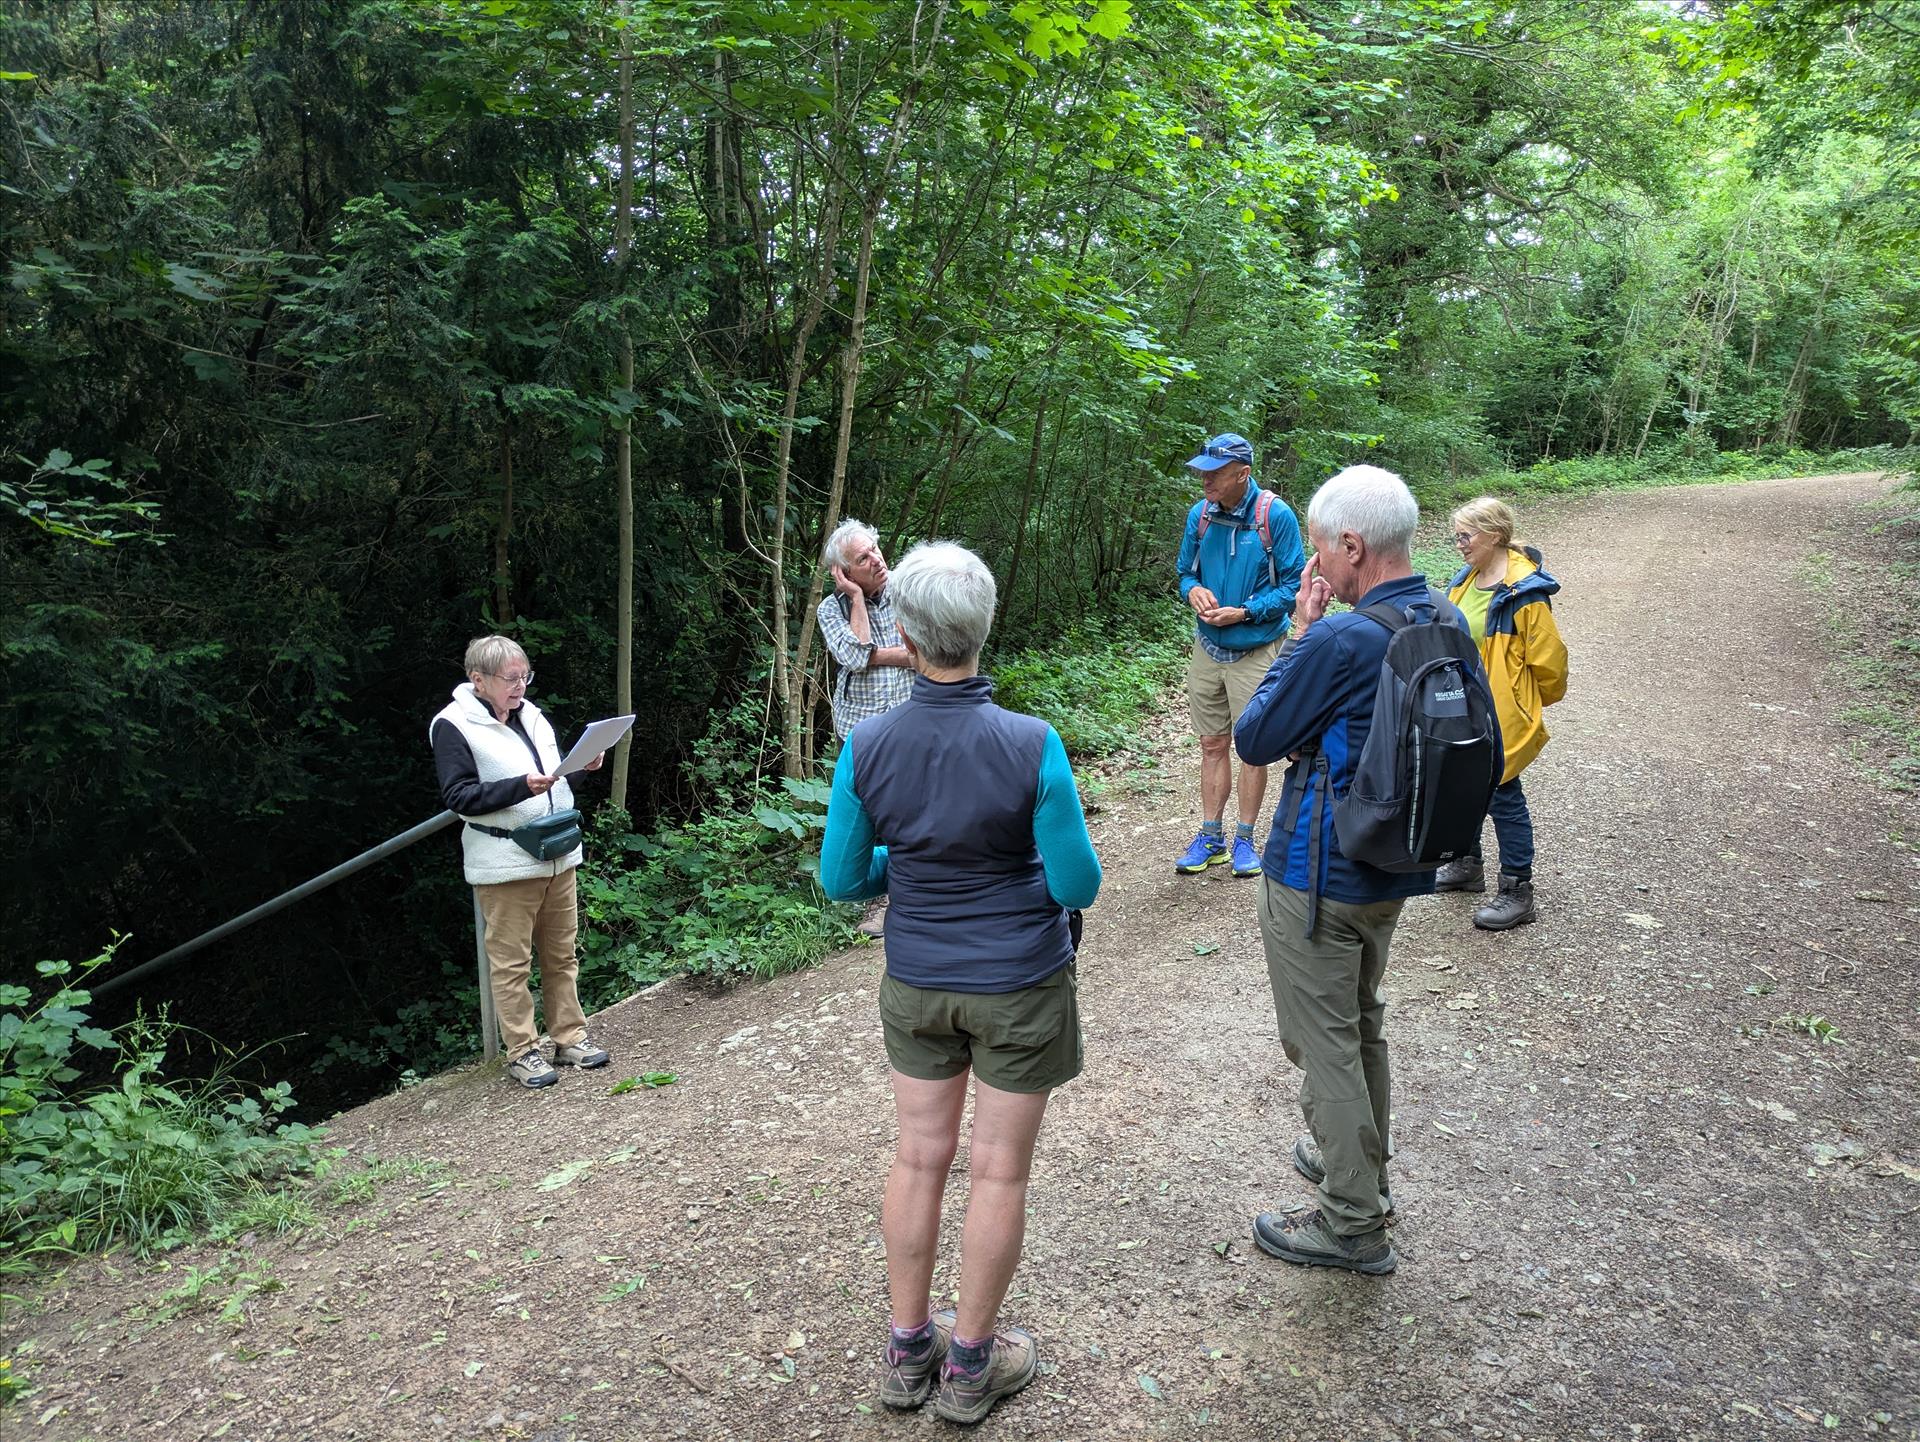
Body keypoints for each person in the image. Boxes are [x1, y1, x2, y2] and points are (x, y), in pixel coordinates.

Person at [819, 541, 1101, 1425]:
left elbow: (842, 878)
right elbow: (1076, 886)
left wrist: (903, 868)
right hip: (1019, 981)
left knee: (918, 1157)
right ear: (982, 629)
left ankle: (908, 1354)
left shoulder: (868, 744)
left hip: (919, 979)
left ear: (901, 627)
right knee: (999, 1172)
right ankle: (972, 1366)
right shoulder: (1032, 743)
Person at [1234, 464, 1489, 1275]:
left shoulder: (1344, 635)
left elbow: (1254, 736)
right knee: (1360, 1022)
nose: (1316, 568)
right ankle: (1362, 1171)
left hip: (1319, 871)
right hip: (1399, 861)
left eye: (1319, 551)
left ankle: (1350, 1221)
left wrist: (1302, 633)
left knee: (1323, 1044)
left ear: (1353, 544)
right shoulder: (1444, 616)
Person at [431, 636, 610, 1089]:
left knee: (561, 953)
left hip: (558, 852)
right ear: (478, 680)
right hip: (506, 863)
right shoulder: (453, 725)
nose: (520, 686)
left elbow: (553, 781)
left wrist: (581, 766)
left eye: (524, 676)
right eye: (511, 679)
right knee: (511, 964)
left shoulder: (531, 715)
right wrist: (519, 787)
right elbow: (459, 797)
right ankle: (523, 1052)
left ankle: (569, 1038)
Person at [1173, 432, 1305, 878]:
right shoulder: (1201, 515)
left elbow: (1293, 588)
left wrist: (1246, 611)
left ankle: (1246, 839)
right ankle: (1211, 836)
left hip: (1257, 649)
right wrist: (1194, 593)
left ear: (1242, 474)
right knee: (1212, 744)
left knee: (1252, 749)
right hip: (1207, 647)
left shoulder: (1275, 515)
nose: (1204, 481)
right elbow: (1184, 574)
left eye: (1214, 474)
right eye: (1202, 472)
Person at [1437, 497, 1569, 930]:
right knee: (1462, 786)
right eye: (1457, 535)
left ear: (1494, 535)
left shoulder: (1525, 593)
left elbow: (1550, 664)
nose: (1459, 543)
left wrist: (1521, 700)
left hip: (1500, 710)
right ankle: (1467, 863)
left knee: (1502, 795)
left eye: (1466, 535)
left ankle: (1517, 889)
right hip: (1464, 704)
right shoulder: (1466, 579)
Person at [816, 519, 916, 740]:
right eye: (863, 559)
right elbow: (857, 658)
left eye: (874, 549)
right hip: (859, 728)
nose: (877, 560)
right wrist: (856, 598)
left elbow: (930, 654)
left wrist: (875, 656)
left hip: (911, 724)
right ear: (846, 574)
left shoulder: (911, 590)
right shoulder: (831, 609)